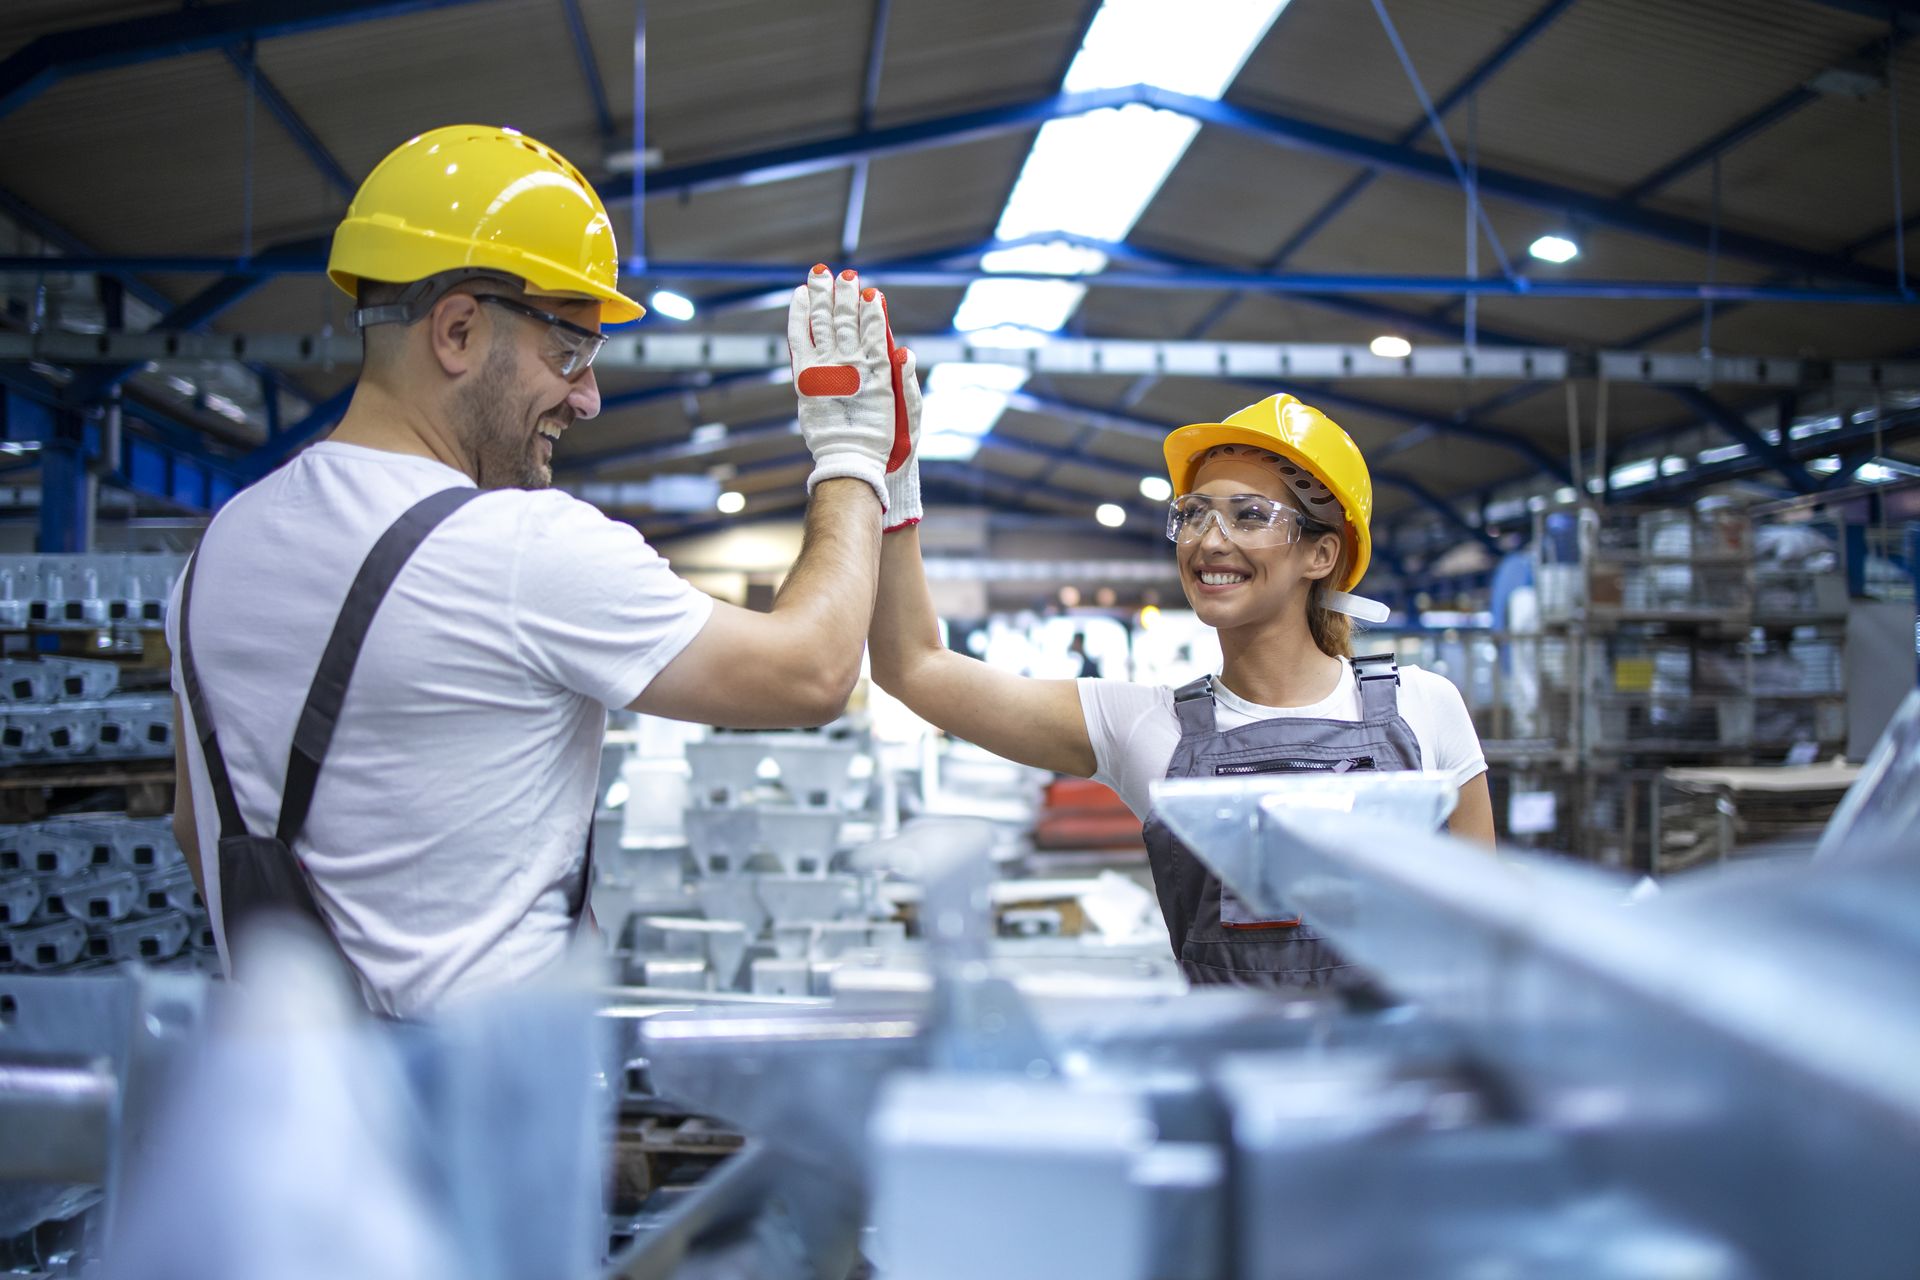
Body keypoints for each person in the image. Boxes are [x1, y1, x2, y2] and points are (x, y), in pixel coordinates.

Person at [169, 125, 913, 1017]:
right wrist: (851, 457)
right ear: (456, 329)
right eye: (570, 351)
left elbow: (196, 829)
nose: (588, 397)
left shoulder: (215, 556)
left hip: (286, 1119)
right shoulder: (519, 548)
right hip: (483, 1131)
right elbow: (814, 671)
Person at [869, 390, 1495, 991]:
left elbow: (1485, 936)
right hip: (1226, 1084)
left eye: (1250, 516)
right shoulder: (1146, 729)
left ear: (1321, 554)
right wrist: (890, 480)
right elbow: (913, 668)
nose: (1209, 540)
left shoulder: (1423, 707)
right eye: (1194, 514)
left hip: (1402, 1083)